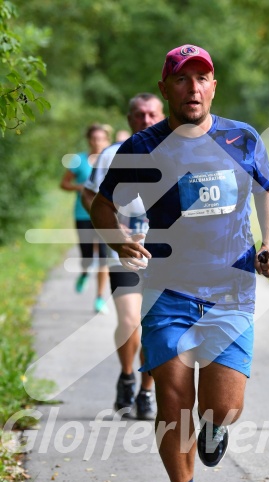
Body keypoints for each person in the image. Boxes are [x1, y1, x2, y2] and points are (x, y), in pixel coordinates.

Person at [90, 45, 269, 482]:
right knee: (174, 402)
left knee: (224, 406)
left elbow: (268, 190)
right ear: (165, 88)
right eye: (182, 79)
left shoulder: (243, 138)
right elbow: (104, 206)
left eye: (202, 78)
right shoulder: (143, 147)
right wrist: (121, 241)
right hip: (166, 289)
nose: (193, 88)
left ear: (214, 86)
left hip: (231, 289)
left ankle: (217, 429)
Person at [82, 94, 165, 420]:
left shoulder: (178, 152)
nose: (146, 120)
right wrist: (115, 234)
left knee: (154, 327)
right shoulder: (112, 155)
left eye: (152, 114)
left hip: (165, 256)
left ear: (162, 115)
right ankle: (127, 374)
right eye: (139, 115)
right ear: (129, 119)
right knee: (130, 321)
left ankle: (146, 392)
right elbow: (90, 194)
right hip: (125, 253)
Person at [60, 123, 111, 313]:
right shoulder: (78, 160)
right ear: (89, 140)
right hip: (83, 214)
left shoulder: (111, 160)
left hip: (106, 215)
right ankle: (84, 271)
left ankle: (99, 298)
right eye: (94, 139)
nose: (97, 142)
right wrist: (80, 187)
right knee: (88, 257)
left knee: (104, 258)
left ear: (106, 140)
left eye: (101, 139)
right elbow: (63, 184)